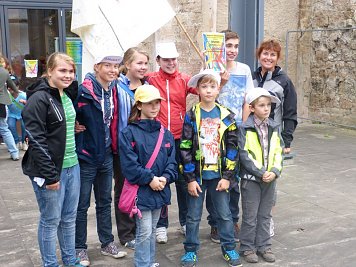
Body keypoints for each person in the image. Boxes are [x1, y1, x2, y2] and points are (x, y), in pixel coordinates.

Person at [21, 52, 82, 267]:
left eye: (71, 71)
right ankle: (50, 264)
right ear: (49, 71)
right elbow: (36, 141)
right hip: (50, 171)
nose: (68, 75)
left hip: (72, 165)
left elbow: (55, 127)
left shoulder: (64, 94)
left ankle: (70, 260)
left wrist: (70, 128)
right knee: (50, 221)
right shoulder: (39, 98)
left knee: (68, 219)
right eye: (62, 70)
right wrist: (50, 176)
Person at [180, 69, 242, 267]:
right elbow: (185, 146)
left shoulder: (226, 116)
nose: (208, 90)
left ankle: (229, 247)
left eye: (212, 86)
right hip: (198, 177)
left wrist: (228, 176)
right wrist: (189, 178)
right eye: (204, 86)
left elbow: (233, 147)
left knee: (224, 214)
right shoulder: (192, 115)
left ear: (218, 89)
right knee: (193, 216)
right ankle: (190, 251)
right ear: (197, 89)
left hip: (219, 176)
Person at [74, 55, 127, 266]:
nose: (113, 70)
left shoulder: (114, 90)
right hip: (87, 156)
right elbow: (69, 115)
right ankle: (79, 248)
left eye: (115, 66)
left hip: (106, 154)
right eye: (108, 66)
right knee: (81, 205)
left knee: (104, 202)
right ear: (96, 67)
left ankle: (107, 243)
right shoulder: (83, 90)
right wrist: (74, 126)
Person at [119, 84, 177, 267]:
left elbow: (172, 163)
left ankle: (150, 262)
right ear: (138, 105)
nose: (154, 107)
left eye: (157, 103)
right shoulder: (128, 133)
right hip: (141, 191)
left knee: (152, 229)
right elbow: (129, 166)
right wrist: (151, 179)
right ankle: (143, 263)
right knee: (144, 231)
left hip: (160, 188)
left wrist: (165, 178)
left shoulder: (165, 134)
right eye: (149, 103)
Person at [206, 29, 254, 244]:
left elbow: (248, 99)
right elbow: (206, 98)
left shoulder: (244, 69)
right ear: (220, 47)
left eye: (235, 46)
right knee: (214, 177)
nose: (233, 50)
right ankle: (215, 223)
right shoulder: (211, 69)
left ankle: (232, 219)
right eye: (228, 45)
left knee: (233, 178)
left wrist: (242, 125)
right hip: (214, 132)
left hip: (237, 130)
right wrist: (221, 83)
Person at [146, 42, 196, 243]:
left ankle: (184, 221)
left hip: (180, 137)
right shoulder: (149, 79)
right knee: (160, 181)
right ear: (158, 60)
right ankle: (161, 225)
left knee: (184, 181)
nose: (170, 63)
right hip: (158, 139)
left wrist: (214, 72)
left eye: (173, 59)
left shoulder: (184, 79)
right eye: (166, 59)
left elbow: (204, 88)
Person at [253, 39, 298, 236]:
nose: (268, 57)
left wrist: (286, 141)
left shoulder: (284, 81)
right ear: (259, 55)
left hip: (273, 137)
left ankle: (267, 219)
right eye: (265, 53)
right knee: (252, 178)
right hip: (252, 136)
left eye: (273, 54)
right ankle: (252, 219)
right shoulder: (252, 77)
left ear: (277, 58)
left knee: (270, 178)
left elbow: (290, 113)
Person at [238, 87, 283, 263]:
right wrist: (260, 172)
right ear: (251, 108)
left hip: (269, 179)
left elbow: (278, 151)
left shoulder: (274, 126)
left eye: (269, 106)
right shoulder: (244, 128)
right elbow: (244, 154)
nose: (266, 109)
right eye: (262, 105)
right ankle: (248, 247)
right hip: (251, 180)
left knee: (265, 215)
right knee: (250, 215)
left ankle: (264, 245)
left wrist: (274, 171)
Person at [114, 47, 150, 250]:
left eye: (145, 63)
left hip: (144, 146)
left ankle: (141, 228)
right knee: (124, 188)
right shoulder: (117, 87)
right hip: (125, 145)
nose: (143, 67)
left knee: (142, 187)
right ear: (127, 64)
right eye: (139, 63)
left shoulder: (149, 85)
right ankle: (126, 233)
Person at [0, 54, 20, 161]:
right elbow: (12, 86)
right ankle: (14, 153)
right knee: (4, 129)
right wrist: (18, 93)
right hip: (1, 103)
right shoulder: (4, 72)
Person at [7, 74, 28, 151]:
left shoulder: (23, 95)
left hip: (22, 113)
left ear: (17, 87)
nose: (10, 89)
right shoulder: (7, 95)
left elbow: (30, 104)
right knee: (10, 125)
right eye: (8, 87)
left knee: (24, 126)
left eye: (12, 87)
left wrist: (25, 102)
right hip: (12, 113)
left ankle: (23, 142)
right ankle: (16, 142)